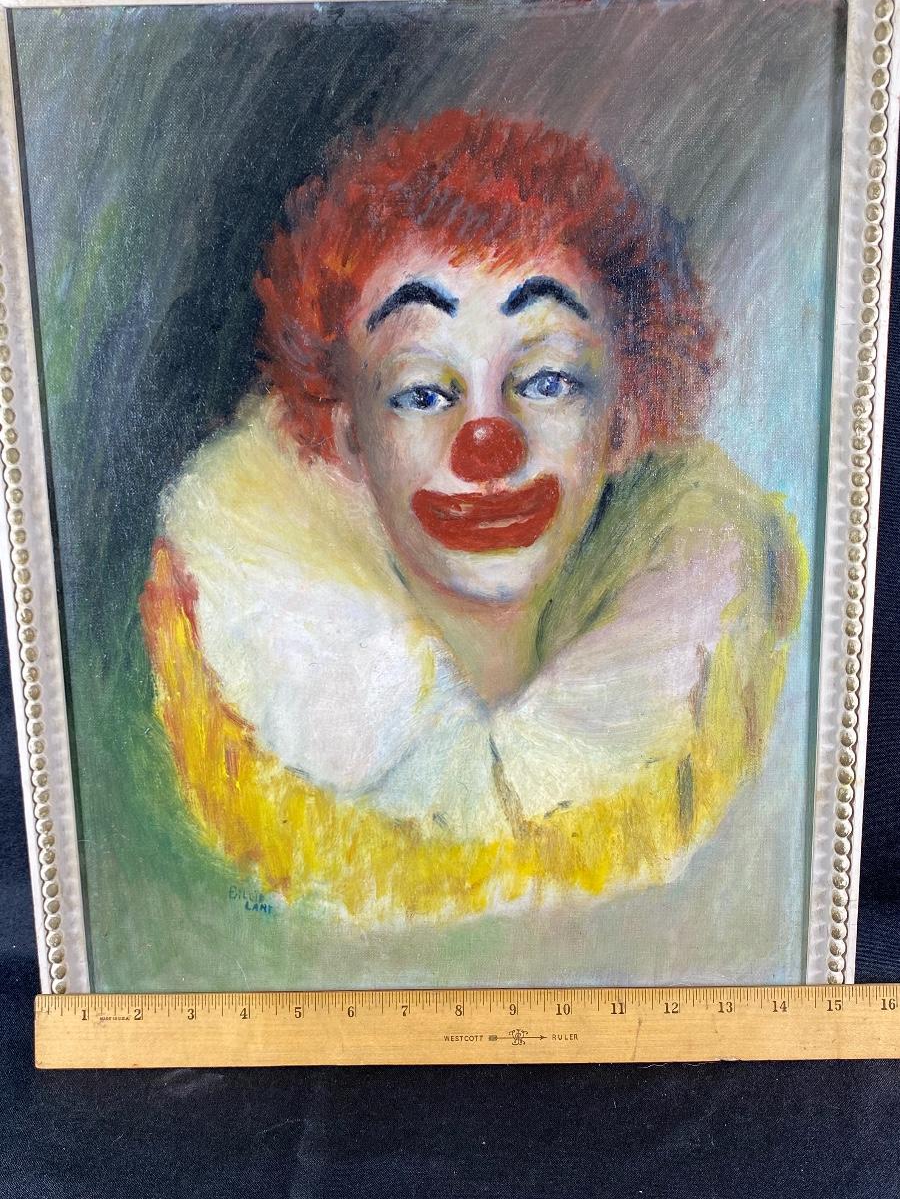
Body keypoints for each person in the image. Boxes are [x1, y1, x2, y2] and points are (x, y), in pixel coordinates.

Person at [140, 109, 805, 923]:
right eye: (423, 391)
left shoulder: (728, 716)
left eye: (549, 381)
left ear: (625, 424)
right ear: (349, 443)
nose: (487, 446)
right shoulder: (258, 718)